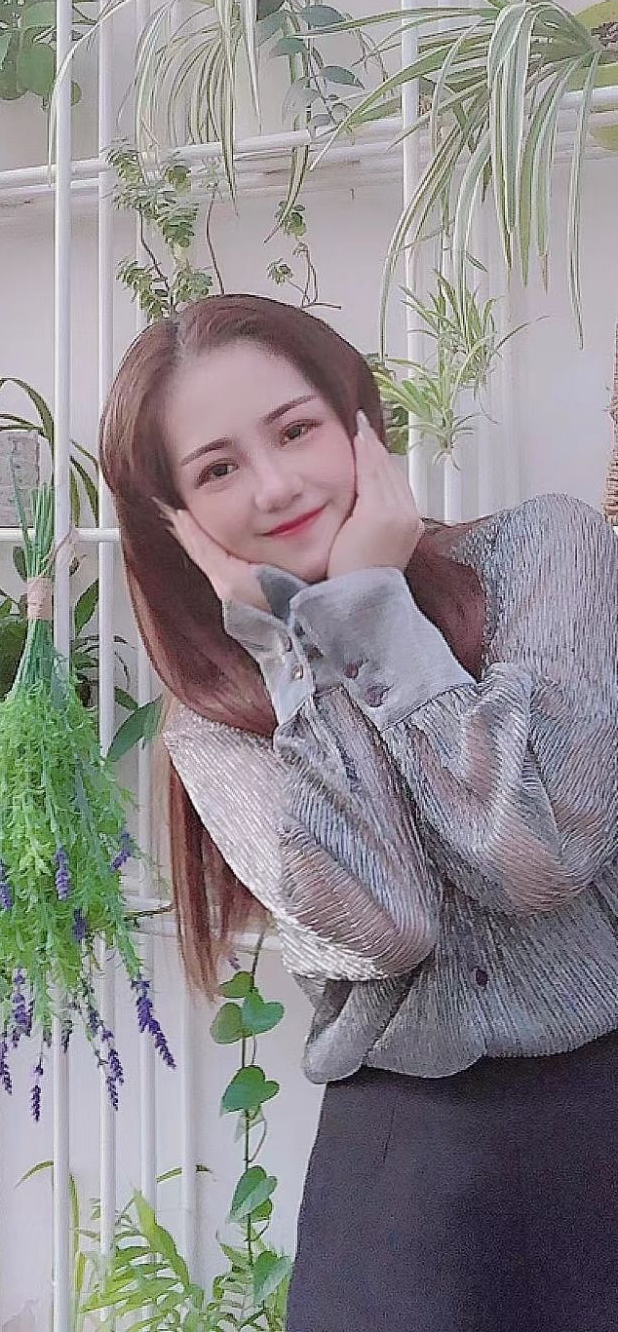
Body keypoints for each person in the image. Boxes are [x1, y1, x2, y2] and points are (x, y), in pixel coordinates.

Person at [98, 293, 618, 1332]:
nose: (276, 484)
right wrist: (303, 642)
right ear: (176, 520)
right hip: (406, 1169)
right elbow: (386, 927)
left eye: (295, 430)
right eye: (217, 469)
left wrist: (374, 607)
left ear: (357, 423)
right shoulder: (216, 721)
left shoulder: (545, 552)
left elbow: (541, 853)